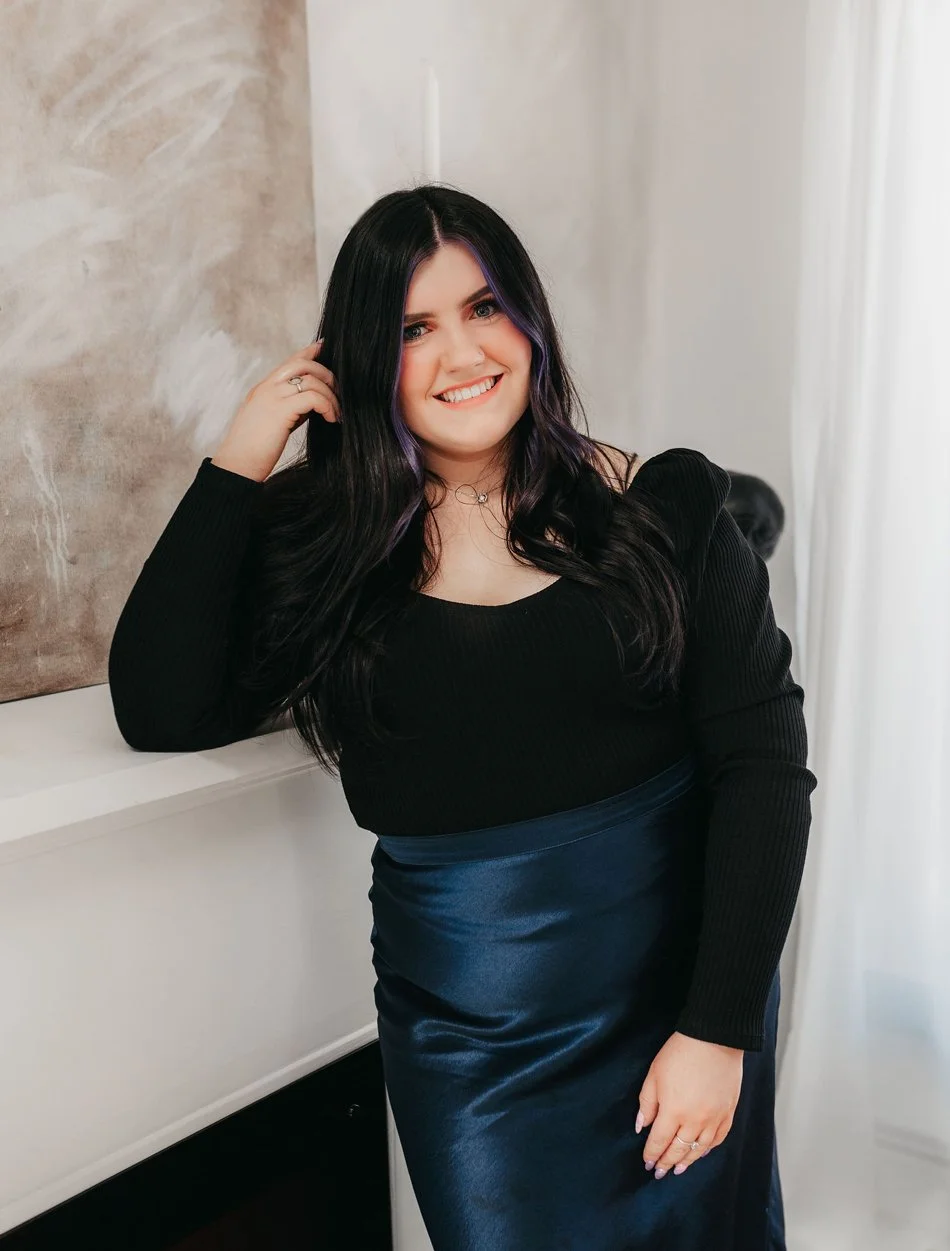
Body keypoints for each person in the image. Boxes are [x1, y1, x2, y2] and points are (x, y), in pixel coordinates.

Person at [108, 185, 817, 1250]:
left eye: (484, 309)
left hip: (677, 994)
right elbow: (159, 709)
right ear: (360, 359)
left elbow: (761, 772)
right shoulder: (328, 550)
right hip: (470, 1039)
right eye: (410, 329)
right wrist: (244, 448)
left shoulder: (665, 506)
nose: (461, 353)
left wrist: (714, 1030)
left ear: (527, 321)